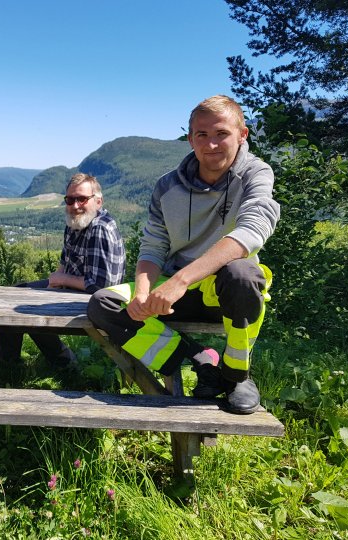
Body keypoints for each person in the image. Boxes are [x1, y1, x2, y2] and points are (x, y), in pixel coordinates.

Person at [87, 95, 280, 415]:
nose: (212, 144)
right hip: (175, 292)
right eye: (202, 135)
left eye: (222, 134)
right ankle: (200, 359)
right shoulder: (167, 186)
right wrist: (145, 292)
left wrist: (181, 279)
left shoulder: (256, 174)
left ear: (242, 135)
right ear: (191, 139)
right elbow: (153, 247)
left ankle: (236, 376)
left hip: (225, 295)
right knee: (103, 303)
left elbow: (251, 232)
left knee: (243, 272)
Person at [0, 173, 125, 370]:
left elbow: (102, 285)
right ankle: (12, 362)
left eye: (82, 199)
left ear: (98, 201)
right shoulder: (75, 223)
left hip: (100, 301)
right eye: (70, 199)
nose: (75, 205)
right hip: (74, 289)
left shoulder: (100, 229)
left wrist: (61, 279)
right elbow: (65, 262)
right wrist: (51, 285)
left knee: (30, 306)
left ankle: (52, 361)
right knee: (17, 293)